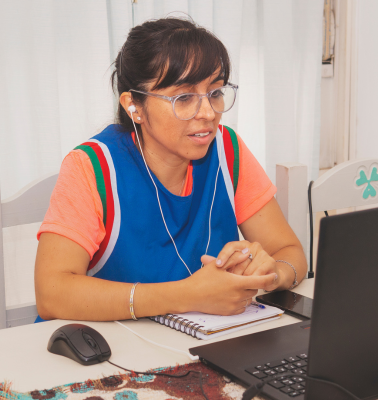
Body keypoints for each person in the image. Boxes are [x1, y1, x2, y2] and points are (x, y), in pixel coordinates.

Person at [34, 17, 307, 322]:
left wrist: (269, 275)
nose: (207, 113)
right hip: (113, 348)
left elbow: (290, 251)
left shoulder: (227, 149)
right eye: (184, 97)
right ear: (134, 106)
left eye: (215, 92)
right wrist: (187, 295)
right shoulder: (93, 167)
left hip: (198, 343)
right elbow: (52, 293)